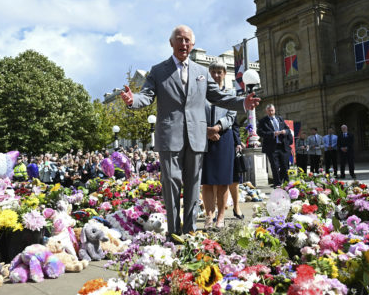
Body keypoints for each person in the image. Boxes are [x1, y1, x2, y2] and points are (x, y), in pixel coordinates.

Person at [120, 25, 260, 238]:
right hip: (170, 136)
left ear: (192, 44)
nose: (183, 44)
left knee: (194, 185)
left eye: (187, 40)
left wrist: (243, 102)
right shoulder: (158, 71)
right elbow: (146, 96)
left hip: (196, 136)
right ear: (171, 43)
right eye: (179, 39)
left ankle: (190, 230)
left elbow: (219, 97)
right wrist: (132, 100)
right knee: (171, 183)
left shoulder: (201, 72)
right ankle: (174, 231)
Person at [200, 61, 237, 230]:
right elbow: (196, 113)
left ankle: (221, 217)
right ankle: (209, 215)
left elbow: (231, 115)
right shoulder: (201, 93)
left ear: (225, 73)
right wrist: (207, 130)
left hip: (224, 138)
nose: (216, 75)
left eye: (219, 72)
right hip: (204, 137)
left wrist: (217, 127)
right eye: (213, 72)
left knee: (223, 181)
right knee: (206, 181)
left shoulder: (231, 92)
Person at [257, 104, 293, 187]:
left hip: (283, 146)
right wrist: (272, 134)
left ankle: (284, 182)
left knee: (285, 166)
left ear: (274, 110)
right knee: (275, 167)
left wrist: (285, 131)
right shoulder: (263, 121)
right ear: (266, 111)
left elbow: (288, 129)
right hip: (272, 147)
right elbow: (260, 132)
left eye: (272, 110)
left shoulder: (280, 118)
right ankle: (277, 184)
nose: (271, 112)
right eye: (269, 110)